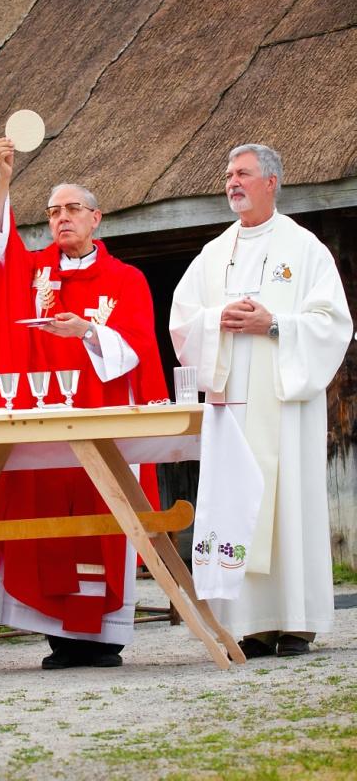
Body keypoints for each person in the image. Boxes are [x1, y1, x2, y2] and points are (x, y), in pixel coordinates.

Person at [0, 136, 167, 669]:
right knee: (49, 519)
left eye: (73, 209)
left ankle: (103, 639)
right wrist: (4, 179)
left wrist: (90, 332)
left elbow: (142, 349)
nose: (62, 218)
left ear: (96, 218)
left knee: (102, 517)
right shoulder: (34, 275)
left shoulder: (127, 279)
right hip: (47, 425)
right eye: (54, 211)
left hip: (101, 424)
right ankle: (60, 637)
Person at [170, 144, 352, 658]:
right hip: (234, 404)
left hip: (283, 401)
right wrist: (217, 321)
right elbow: (182, 319)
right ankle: (246, 621)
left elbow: (333, 323)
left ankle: (295, 620)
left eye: (242, 173)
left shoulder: (306, 249)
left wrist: (271, 324)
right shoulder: (213, 253)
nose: (232, 182)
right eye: (228, 174)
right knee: (238, 504)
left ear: (271, 182)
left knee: (287, 498)